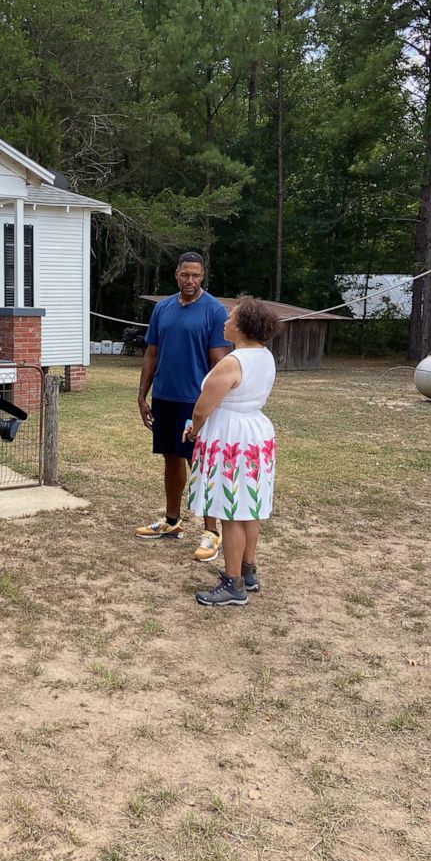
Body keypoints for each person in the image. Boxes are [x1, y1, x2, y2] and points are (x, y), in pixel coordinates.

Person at [184, 296, 280, 606]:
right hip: (255, 433)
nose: (225, 322)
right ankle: (248, 570)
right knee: (248, 506)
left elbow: (203, 408)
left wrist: (193, 429)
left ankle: (233, 583)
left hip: (231, 437)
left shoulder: (233, 362)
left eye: (230, 317)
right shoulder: (265, 356)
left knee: (230, 510)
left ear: (240, 326)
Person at [136, 251, 230, 560]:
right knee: (171, 459)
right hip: (165, 397)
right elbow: (151, 354)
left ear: (203, 276)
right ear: (176, 274)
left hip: (196, 402)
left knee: (201, 464)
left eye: (196, 275)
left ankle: (211, 532)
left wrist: (214, 403)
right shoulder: (163, 309)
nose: (190, 280)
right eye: (185, 274)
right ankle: (172, 521)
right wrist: (142, 394)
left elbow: (220, 363)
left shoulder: (214, 311)